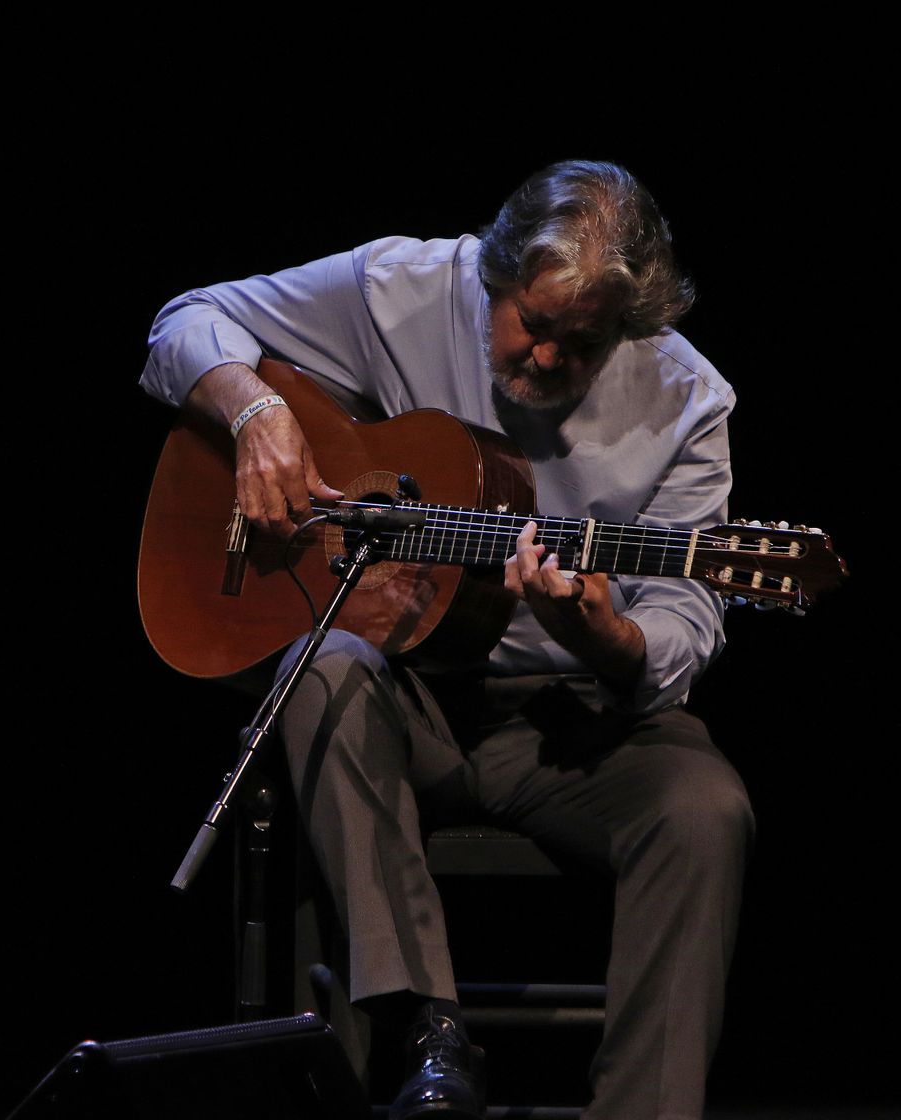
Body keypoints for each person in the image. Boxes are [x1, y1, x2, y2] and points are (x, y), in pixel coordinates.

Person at [139, 161, 753, 1120]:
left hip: (572, 724)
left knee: (704, 809)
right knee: (320, 669)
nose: (546, 357)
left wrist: (610, 638)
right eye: (532, 323)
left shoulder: (688, 401)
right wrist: (255, 413)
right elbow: (184, 322)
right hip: (406, 700)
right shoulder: (401, 290)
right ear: (493, 276)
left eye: (582, 344)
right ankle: (429, 1034)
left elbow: (684, 619)